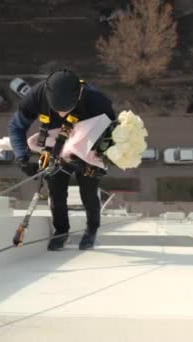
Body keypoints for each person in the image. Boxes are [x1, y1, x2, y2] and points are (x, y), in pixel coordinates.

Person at [8, 69, 116, 251]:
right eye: (57, 109)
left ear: (79, 93)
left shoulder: (98, 101)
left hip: (88, 152)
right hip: (54, 149)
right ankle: (61, 231)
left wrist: (97, 161)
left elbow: (112, 136)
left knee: (89, 194)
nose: (61, 115)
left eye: (66, 110)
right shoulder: (36, 96)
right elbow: (16, 127)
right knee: (56, 194)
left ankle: (91, 230)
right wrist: (22, 159)